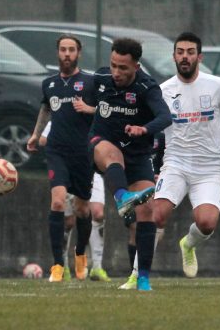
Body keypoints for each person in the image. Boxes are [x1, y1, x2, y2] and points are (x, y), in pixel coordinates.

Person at [153, 31, 220, 279]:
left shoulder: (217, 86)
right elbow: (156, 132)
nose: (185, 56)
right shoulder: (163, 90)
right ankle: (138, 275)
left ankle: (188, 245)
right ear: (174, 57)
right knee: (157, 215)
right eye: (180, 52)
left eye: (190, 52)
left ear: (199, 57)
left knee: (206, 223)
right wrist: (154, 164)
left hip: (209, 168)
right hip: (176, 164)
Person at [89, 38, 172, 291]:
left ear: (136, 66)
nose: (116, 72)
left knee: (147, 212)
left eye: (122, 68)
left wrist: (143, 128)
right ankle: (124, 196)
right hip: (103, 144)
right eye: (113, 65)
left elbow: (165, 117)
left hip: (137, 154)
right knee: (113, 155)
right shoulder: (100, 80)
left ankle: (142, 278)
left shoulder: (148, 88)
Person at [27, 34, 96, 282]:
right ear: (57, 53)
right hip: (56, 150)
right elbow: (46, 108)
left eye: (71, 50)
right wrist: (36, 135)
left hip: (83, 152)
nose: (67, 54)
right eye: (63, 50)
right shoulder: (50, 84)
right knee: (57, 202)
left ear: (78, 53)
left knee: (81, 208)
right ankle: (57, 265)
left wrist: (89, 109)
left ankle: (80, 254)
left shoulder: (89, 82)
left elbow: (105, 111)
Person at [39, 121, 111, 282]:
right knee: (68, 221)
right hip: (65, 167)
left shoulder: (92, 113)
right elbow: (42, 140)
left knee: (96, 213)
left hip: (89, 168)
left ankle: (96, 266)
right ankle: (62, 264)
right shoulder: (61, 114)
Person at [119, 132, 165, 289]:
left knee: (154, 227)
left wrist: (162, 175)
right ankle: (134, 274)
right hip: (131, 182)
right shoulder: (128, 130)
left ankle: (139, 275)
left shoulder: (161, 135)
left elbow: (167, 159)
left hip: (155, 184)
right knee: (133, 227)